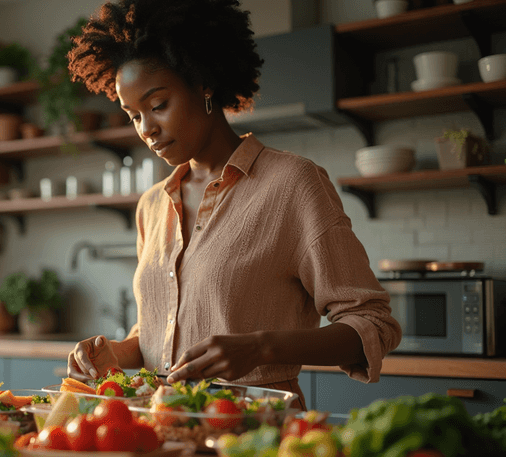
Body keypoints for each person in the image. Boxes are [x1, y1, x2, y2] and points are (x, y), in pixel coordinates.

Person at [65, 0, 402, 409]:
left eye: (157, 106)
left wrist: (262, 348)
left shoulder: (292, 184)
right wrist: (118, 353)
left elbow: (373, 324)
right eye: (133, 115)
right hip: (165, 430)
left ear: (204, 83)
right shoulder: (152, 205)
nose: (146, 129)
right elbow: (161, 332)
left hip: (259, 431)